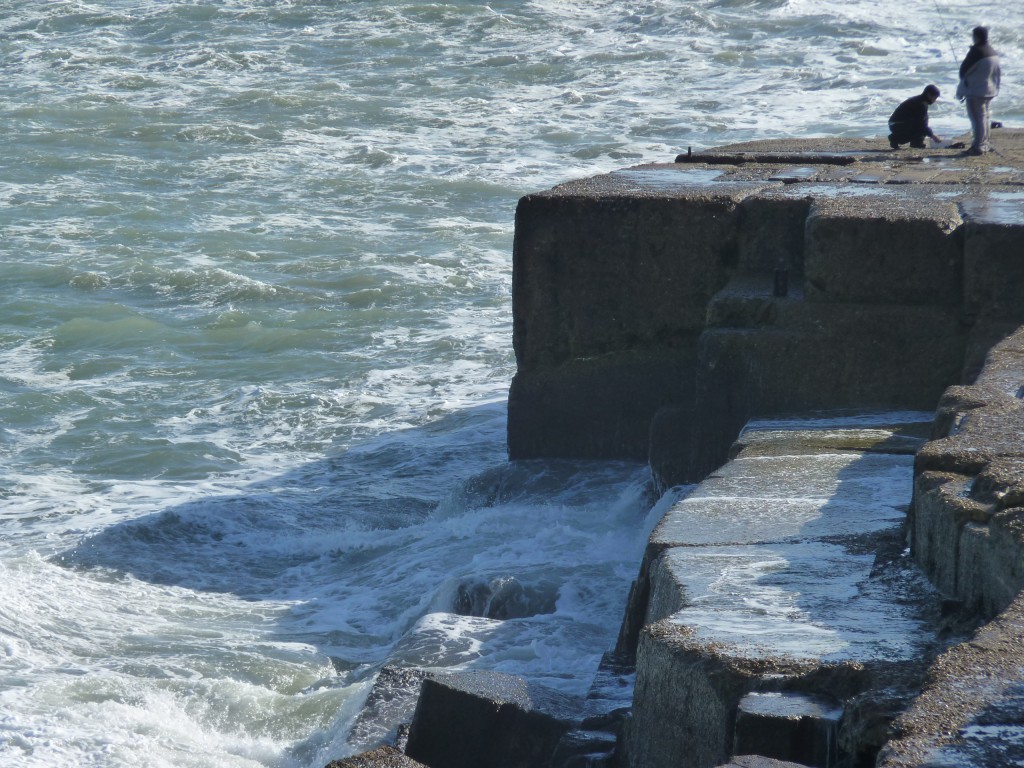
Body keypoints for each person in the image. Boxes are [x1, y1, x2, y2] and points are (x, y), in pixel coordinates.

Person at [956, 26, 1001, 155]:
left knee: (977, 118)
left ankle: (978, 146)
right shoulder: (993, 51)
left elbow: (963, 70)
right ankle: (985, 143)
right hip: (990, 89)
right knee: (985, 117)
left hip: (976, 91)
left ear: (976, 37)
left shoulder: (976, 51)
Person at [888, 85, 942, 149]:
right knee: (921, 128)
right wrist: (932, 136)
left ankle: (911, 142)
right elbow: (921, 124)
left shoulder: (919, 100)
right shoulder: (921, 104)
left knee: (921, 125)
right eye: (934, 98)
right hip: (897, 124)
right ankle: (897, 139)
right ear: (929, 95)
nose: (934, 100)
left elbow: (923, 120)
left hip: (894, 123)